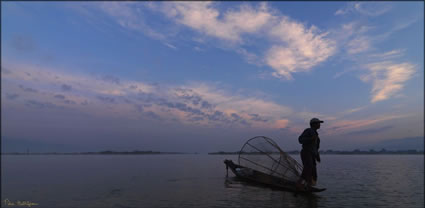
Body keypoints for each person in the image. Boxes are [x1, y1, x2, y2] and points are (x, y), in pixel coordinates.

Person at [296, 118, 323, 190]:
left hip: (312, 154)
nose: (319, 124)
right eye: (318, 123)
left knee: (313, 170)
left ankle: (308, 185)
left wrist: (317, 156)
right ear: (313, 124)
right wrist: (311, 138)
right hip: (306, 152)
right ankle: (299, 183)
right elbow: (300, 140)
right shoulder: (308, 130)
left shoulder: (317, 136)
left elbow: (316, 148)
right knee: (308, 167)